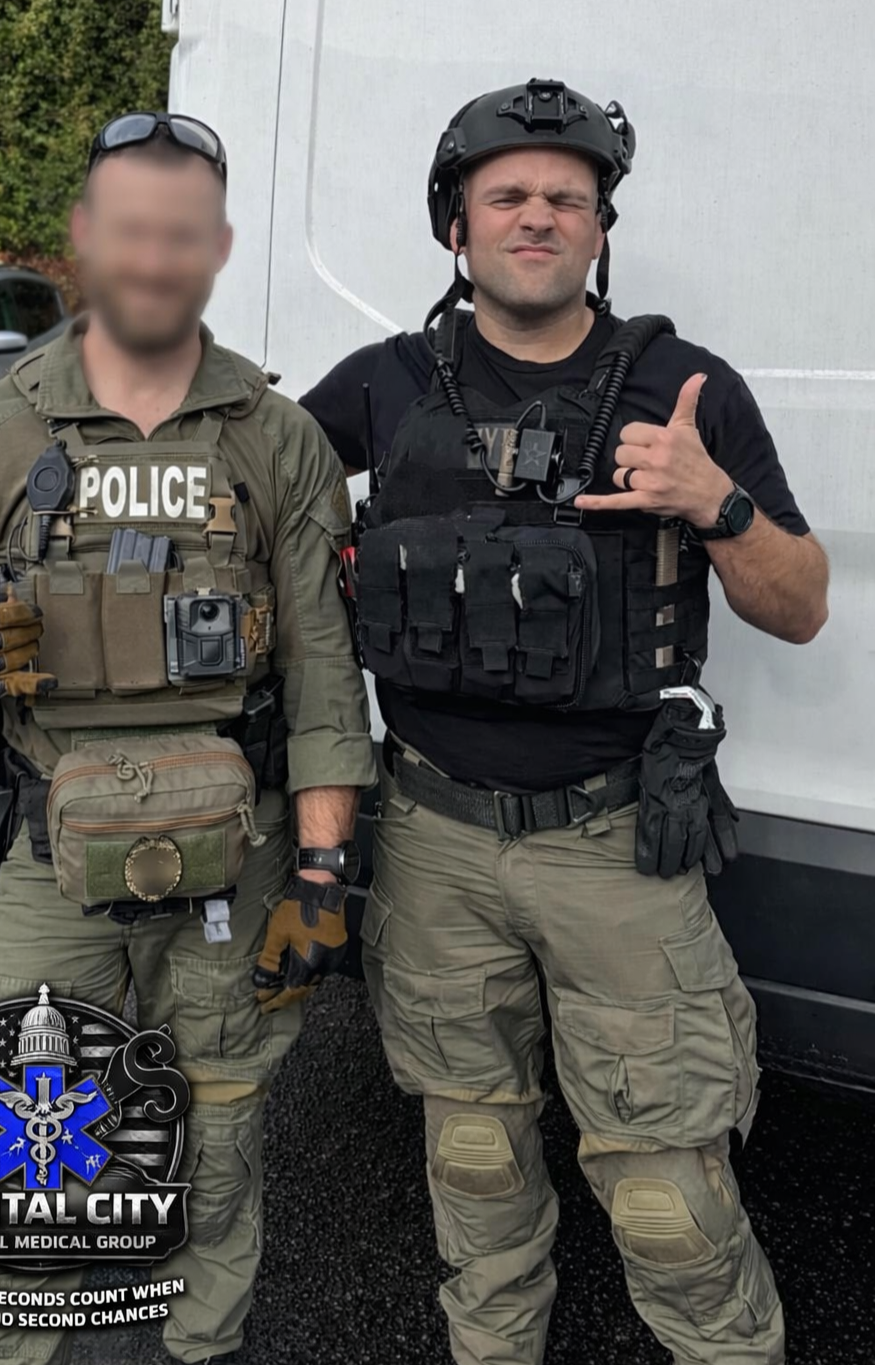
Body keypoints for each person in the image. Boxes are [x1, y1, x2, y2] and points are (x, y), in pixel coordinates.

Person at [299, 78, 828, 1365]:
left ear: (599, 228)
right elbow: (250, 519)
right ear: (456, 225)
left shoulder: (684, 387)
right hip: (431, 840)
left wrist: (714, 503)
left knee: (665, 1197)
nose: (536, 216)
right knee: (472, 1159)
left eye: (566, 199)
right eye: (507, 197)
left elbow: (801, 605)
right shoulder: (380, 386)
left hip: (615, 848)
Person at [0, 111, 375, 1365]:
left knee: (218, 1144)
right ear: (86, 238)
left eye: (181, 233)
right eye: (131, 229)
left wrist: (321, 878)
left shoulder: (275, 437)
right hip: (50, 869)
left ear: (217, 247)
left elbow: (322, 677)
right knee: (20, 1168)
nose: (154, 258)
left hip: (239, 861)